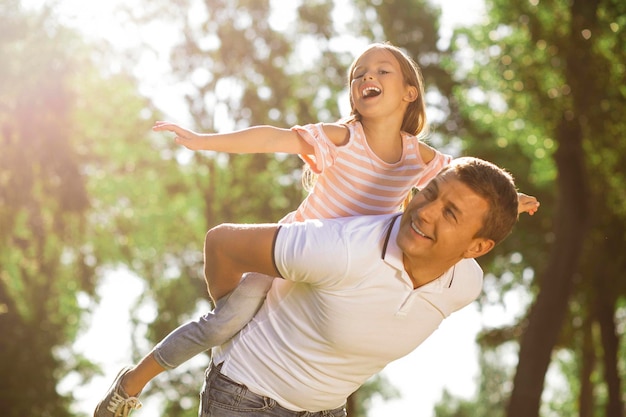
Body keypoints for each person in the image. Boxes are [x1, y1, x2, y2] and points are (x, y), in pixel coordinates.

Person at [94, 43, 539, 417]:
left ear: (409, 92)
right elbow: (271, 138)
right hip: (289, 256)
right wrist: (204, 140)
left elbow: (473, 192)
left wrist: (512, 204)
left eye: (382, 69)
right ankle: (132, 382)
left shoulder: (419, 159)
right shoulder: (343, 139)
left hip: (339, 274)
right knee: (221, 326)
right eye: (358, 72)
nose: (367, 75)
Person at [198, 156, 520, 416]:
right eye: (430, 193)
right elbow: (222, 244)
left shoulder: (464, 285)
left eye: (450, 213)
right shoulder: (342, 249)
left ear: (477, 247)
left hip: (327, 409)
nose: (425, 212)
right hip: (245, 397)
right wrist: (230, 319)